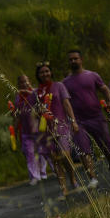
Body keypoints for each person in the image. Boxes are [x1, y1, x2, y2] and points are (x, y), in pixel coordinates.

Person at [63, 49, 110, 184]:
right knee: (83, 150)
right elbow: (64, 102)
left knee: (108, 148)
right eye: (70, 59)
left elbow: (105, 89)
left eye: (75, 58)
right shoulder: (65, 83)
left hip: (97, 117)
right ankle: (92, 178)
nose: (73, 61)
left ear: (81, 60)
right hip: (79, 122)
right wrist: (70, 121)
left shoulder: (92, 75)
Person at [35, 62, 81, 198]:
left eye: (47, 71)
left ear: (51, 72)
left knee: (65, 155)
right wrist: (38, 110)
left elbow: (66, 104)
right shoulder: (36, 92)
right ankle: (63, 188)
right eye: (42, 72)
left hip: (62, 127)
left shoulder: (59, 86)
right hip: (46, 130)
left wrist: (73, 121)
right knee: (55, 160)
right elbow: (33, 111)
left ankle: (72, 178)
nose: (45, 74)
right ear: (38, 75)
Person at [11, 74, 49, 185]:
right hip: (25, 131)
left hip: (38, 128)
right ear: (18, 84)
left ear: (30, 81)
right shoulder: (18, 96)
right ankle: (34, 176)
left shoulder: (36, 92)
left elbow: (44, 107)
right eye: (21, 82)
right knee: (29, 153)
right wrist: (15, 129)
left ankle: (42, 172)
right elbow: (17, 114)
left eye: (25, 81)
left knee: (41, 152)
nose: (24, 84)